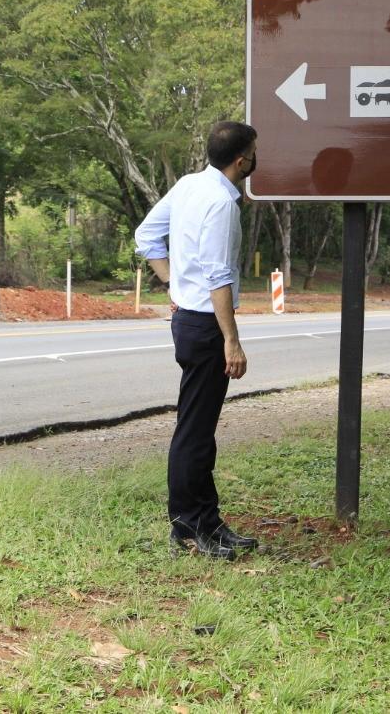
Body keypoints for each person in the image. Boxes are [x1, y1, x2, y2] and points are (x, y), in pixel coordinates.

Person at [134, 121, 260, 561]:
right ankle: (187, 528)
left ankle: (209, 522)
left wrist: (171, 286)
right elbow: (218, 276)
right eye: (253, 152)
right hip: (206, 326)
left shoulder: (189, 185)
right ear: (242, 160)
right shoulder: (222, 204)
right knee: (194, 432)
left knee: (199, 431)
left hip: (186, 319)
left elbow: (145, 236)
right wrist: (232, 340)